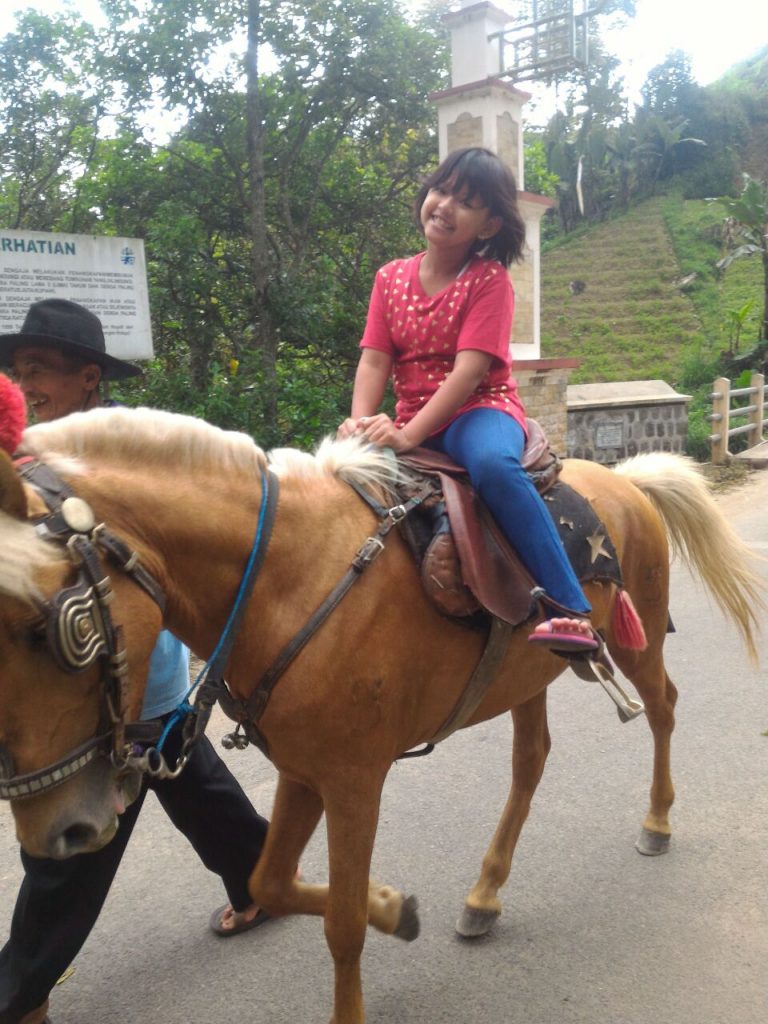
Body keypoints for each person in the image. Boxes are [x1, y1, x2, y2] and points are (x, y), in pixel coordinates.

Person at [0, 300, 273, 1024]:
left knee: (65, 850)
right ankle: (262, 881)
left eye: (38, 371)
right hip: (98, 686)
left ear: (89, 378)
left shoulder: (126, 457)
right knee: (194, 784)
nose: (26, 387)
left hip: (112, 692)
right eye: (18, 373)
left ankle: (16, 996)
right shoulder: (30, 454)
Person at [338, 147, 598, 653]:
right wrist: (360, 423)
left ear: (489, 225)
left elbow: (468, 373)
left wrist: (407, 435)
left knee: (494, 467)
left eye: (466, 202)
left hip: (478, 410)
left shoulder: (489, 282)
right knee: (336, 476)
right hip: (412, 416)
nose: (445, 206)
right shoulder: (389, 278)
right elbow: (374, 361)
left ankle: (568, 608)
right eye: (441, 190)